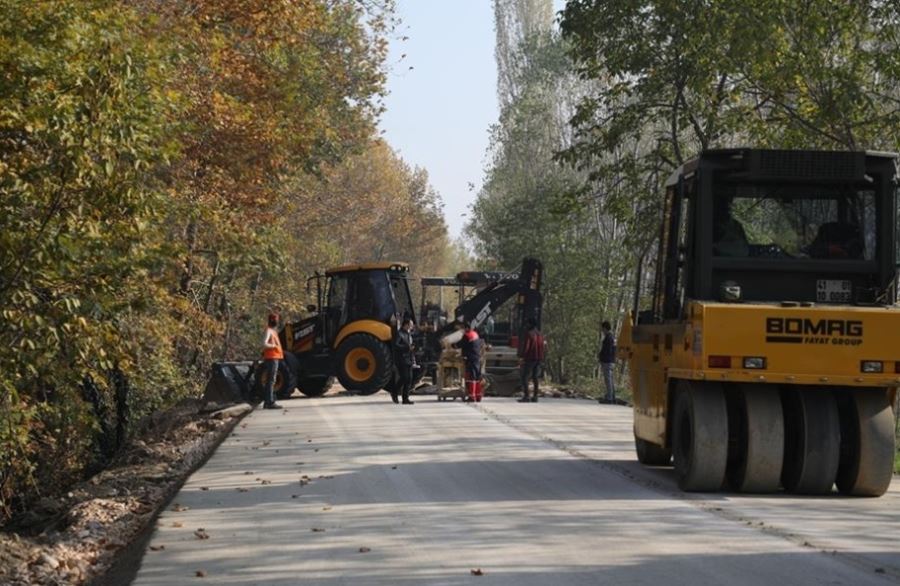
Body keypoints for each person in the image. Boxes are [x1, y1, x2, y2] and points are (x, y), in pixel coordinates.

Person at [518, 319, 545, 403]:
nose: (526, 326)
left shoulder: (529, 334)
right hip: (539, 358)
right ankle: (535, 396)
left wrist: (522, 356)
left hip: (530, 358)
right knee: (535, 377)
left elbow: (527, 347)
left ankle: (526, 396)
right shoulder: (540, 334)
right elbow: (543, 347)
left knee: (525, 377)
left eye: (528, 324)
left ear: (530, 325)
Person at [261, 312, 284, 410]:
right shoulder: (269, 331)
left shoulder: (273, 331)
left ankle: (270, 400)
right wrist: (273, 346)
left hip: (275, 357)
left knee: (272, 380)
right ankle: (269, 402)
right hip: (271, 358)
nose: (276, 321)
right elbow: (264, 343)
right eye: (275, 319)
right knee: (271, 380)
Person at [456, 322, 484, 402]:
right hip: (477, 358)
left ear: (466, 328)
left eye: (463, 329)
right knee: (477, 377)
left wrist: (452, 345)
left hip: (470, 359)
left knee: (471, 377)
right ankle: (478, 396)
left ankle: (472, 396)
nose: (462, 331)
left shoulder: (466, 335)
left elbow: (460, 345)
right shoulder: (475, 334)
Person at [393, 317, 416, 405]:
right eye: (410, 325)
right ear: (406, 325)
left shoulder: (409, 334)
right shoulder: (399, 334)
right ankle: (395, 391)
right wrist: (407, 347)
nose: (412, 326)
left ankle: (405, 399)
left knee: (409, 379)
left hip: (409, 359)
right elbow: (396, 345)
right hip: (401, 359)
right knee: (404, 378)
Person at [598, 321, 616, 404]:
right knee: (610, 379)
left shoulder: (609, 337)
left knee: (608, 379)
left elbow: (607, 350)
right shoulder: (611, 337)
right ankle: (611, 396)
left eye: (602, 328)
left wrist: (602, 357)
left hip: (607, 361)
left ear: (605, 328)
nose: (602, 330)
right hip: (610, 361)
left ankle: (609, 398)